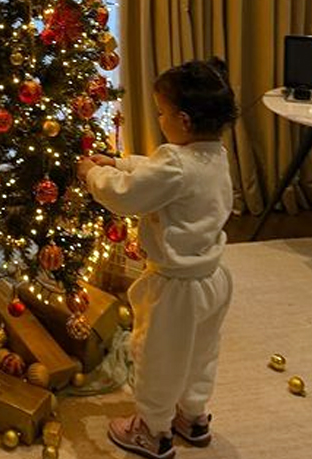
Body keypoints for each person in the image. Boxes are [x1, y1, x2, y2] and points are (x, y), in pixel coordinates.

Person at [77, 58, 238, 459]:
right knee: (201, 352)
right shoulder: (213, 154)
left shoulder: (175, 164)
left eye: (162, 113)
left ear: (182, 120)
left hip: (175, 287)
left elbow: (127, 194)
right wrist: (118, 162)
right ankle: (192, 416)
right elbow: (155, 172)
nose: (160, 119)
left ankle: (153, 430)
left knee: (157, 357)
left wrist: (92, 175)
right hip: (213, 279)